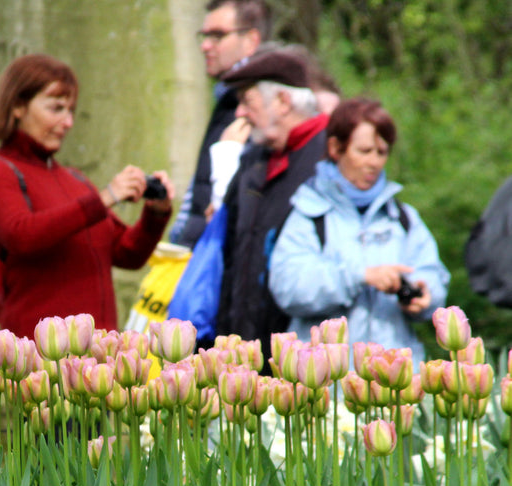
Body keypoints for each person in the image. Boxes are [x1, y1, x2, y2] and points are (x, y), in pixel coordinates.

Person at [0, 54, 174, 338]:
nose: (67, 122)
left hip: (97, 360)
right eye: (56, 108)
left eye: (71, 111)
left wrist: (155, 213)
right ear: (17, 106)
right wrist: (105, 198)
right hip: (38, 360)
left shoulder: (76, 180)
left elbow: (126, 253)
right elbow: (22, 235)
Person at [268, 98, 449, 363]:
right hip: (326, 384)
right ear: (335, 148)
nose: (374, 162)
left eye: (381, 152)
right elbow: (290, 288)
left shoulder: (402, 217)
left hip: (393, 381)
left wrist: (424, 296)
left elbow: (434, 278)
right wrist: (359, 276)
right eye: (364, 151)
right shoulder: (309, 213)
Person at [215, 47, 330, 367]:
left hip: (303, 361)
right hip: (242, 355)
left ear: (282, 102)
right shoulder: (253, 160)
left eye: (247, 102)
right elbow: (232, 257)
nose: (239, 113)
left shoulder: (331, 159)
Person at [169, 0, 270, 248]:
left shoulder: (263, 107)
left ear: (251, 40)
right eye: (204, 36)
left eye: (217, 36)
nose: (205, 46)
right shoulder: (227, 97)